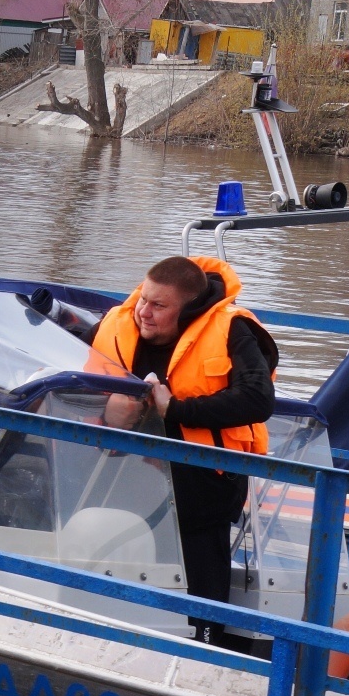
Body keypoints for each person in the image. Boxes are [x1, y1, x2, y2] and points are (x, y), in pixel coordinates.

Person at [95, 255, 277, 646]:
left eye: (159, 306)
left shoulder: (232, 329)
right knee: (121, 561)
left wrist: (174, 409)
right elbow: (69, 384)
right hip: (126, 477)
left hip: (202, 487)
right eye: (144, 299)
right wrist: (108, 410)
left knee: (200, 589)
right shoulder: (118, 323)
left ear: (189, 308)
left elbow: (258, 399)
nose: (144, 312)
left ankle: (203, 649)